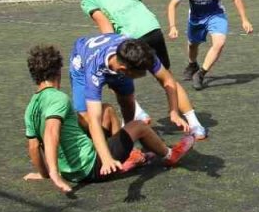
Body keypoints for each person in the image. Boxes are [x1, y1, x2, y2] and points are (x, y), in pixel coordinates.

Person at [22, 45, 194, 194]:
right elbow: (52, 132)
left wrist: (43, 173)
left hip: (70, 171)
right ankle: (170, 155)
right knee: (138, 126)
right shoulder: (58, 98)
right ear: (59, 70)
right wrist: (53, 173)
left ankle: (127, 157)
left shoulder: (31, 106)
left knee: (107, 110)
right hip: (91, 166)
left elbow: (34, 146)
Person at [80, 0, 207, 139]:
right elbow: (137, 7)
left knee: (113, 79)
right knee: (167, 78)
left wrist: (109, 51)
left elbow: (106, 27)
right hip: (152, 28)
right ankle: (195, 124)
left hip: (130, 37)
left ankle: (138, 112)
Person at [67, 33, 193, 174]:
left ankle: (128, 147)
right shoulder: (94, 71)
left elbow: (168, 80)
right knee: (85, 117)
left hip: (114, 61)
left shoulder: (139, 52)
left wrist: (174, 111)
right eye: (141, 73)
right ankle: (104, 152)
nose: (146, 75)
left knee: (127, 101)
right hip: (82, 64)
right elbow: (94, 120)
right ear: (124, 71)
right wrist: (106, 158)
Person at [167, 0, 254, 89]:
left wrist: (244, 19)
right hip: (196, 18)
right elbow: (172, 5)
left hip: (216, 15)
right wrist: (172, 26)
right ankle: (192, 64)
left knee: (219, 43)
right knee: (192, 45)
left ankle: (200, 74)